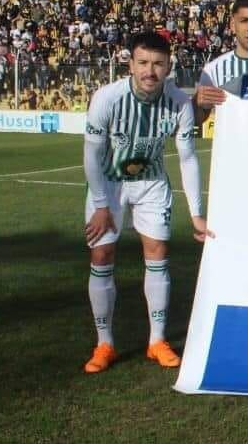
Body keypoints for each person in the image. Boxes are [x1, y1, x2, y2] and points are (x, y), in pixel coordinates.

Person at [82, 32, 211, 373]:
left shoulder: (180, 102)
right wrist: (100, 205)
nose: (150, 71)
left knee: (157, 254)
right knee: (101, 253)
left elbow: (187, 158)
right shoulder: (106, 98)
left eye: (158, 64)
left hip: (152, 183)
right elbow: (92, 155)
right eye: (143, 63)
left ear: (169, 66)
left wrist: (197, 214)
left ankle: (157, 340)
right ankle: (104, 343)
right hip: (109, 186)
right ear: (130, 64)